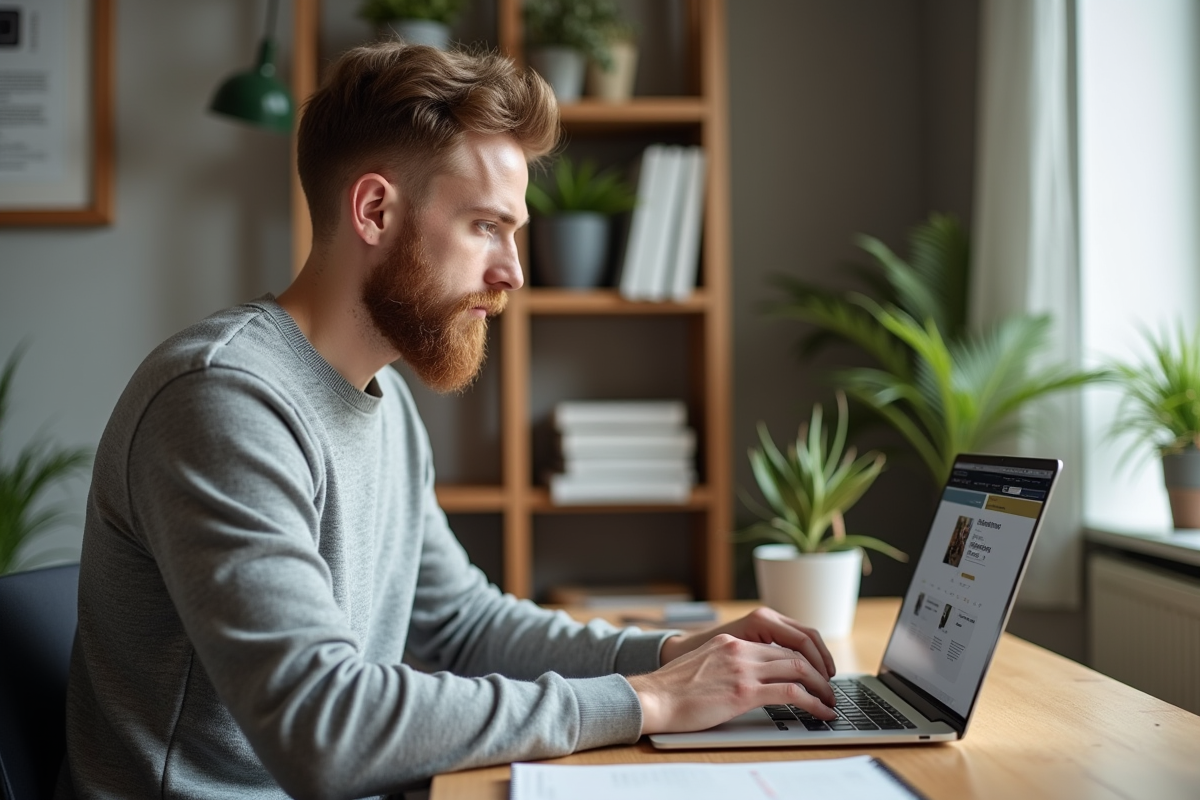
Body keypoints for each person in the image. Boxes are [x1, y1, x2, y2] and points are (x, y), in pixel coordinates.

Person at [59, 42, 838, 800]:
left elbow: (461, 626)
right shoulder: (223, 400)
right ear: (374, 211)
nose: (514, 274)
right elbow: (323, 730)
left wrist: (671, 653)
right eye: (485, 227)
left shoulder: (383, 398)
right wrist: (651, 701)